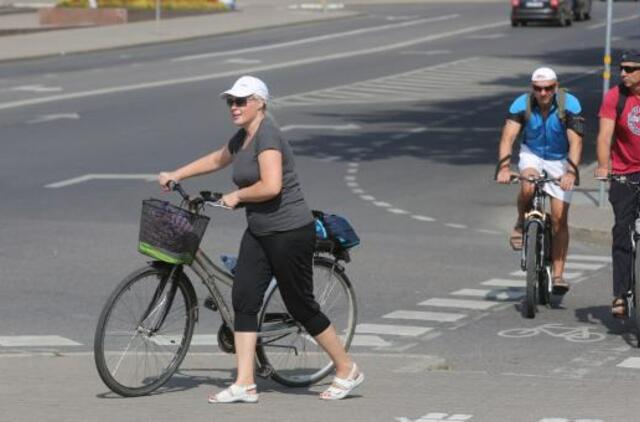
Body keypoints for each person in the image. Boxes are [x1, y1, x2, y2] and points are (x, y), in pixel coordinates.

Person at [157, 76, 364, 403]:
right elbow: (216, 159)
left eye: (241, 101)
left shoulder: (268, 135)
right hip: (260, 229)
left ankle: (346, 368)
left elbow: (271, 186)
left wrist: (236, 196)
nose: (234, 107)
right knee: (244, 298)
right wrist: (177, 174)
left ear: (260, 103)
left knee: (301, 306)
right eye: (231, 102)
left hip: (290, 231)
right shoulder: (243, 137)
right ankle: (245, 383)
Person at [496, 67, 584, 295]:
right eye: (538, 89)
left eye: (548, 88)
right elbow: (508, 137)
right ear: (532, 88)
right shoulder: (521, 104)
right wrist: (504, 168)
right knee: (527, 185)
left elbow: (576, 143)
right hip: (532, 153)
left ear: (556, 87)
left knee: (558, 218)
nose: (543, 93)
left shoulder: (570, 104)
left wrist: (571, 173)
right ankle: (520, 222)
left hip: (561, 158)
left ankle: (558, 274)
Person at [594, 49, 640, 318]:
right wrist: (603, 166)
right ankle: (620, 293)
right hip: (624, 172)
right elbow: (604, 136)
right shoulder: (615, 96)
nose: (623, 73)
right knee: (622, 230)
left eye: (630, 69)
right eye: (622, 68)